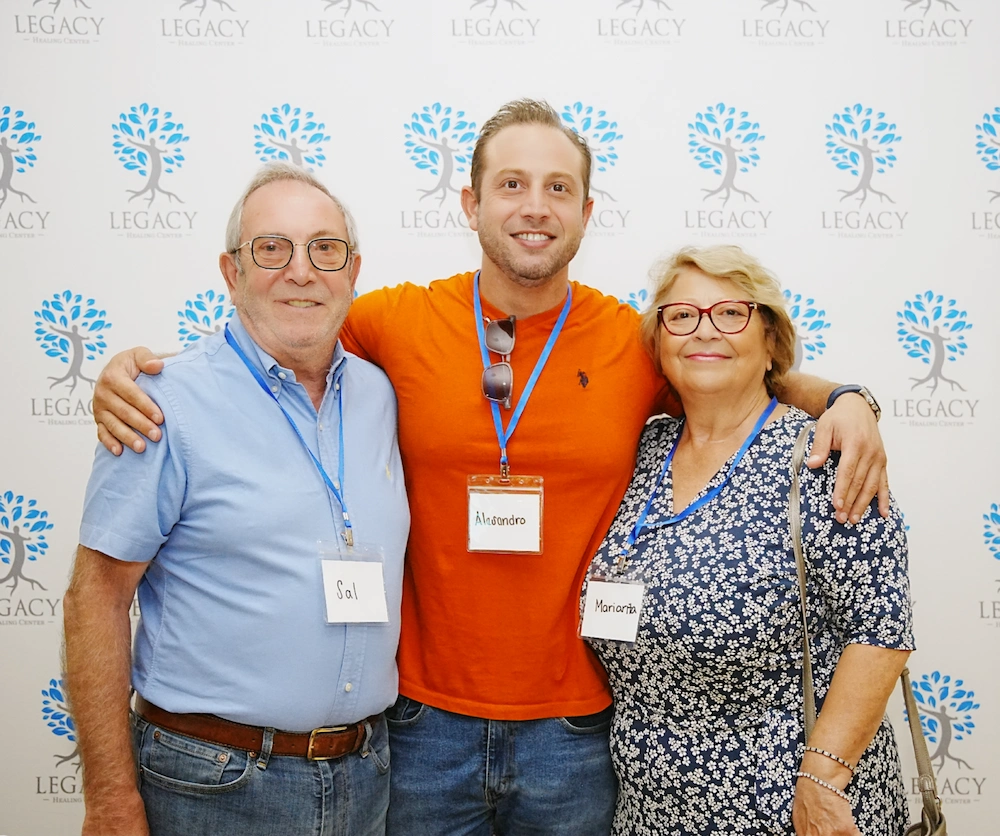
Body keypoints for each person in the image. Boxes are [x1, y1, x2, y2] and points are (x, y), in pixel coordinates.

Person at [91, 99, 889, 836]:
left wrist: (845, 397)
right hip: (417, 728)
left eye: (557, 187)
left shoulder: (633, 342)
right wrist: (139, 370)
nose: (533, 206)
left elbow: (733, 366)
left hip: (575, 733)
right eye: (511, 184)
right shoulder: (393, 321)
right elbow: (282, 330)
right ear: (471, 205)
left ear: (585, 212)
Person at [63, 163, 410, 836]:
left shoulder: (381, 394)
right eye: (272, 248)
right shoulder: (161, 405)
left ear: (353, 269)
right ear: (231, 271)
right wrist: (109, 798)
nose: (302, 271)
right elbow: (95, 599)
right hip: (213, 783)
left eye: (325, 248)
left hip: (365, 776)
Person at [581, 245, 912, 835]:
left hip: (795, 809)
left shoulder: (822, 455)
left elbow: (880, 628)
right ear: (658, 344)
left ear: (771, 344)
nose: (704, 330)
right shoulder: (641, 448)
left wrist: (824, 776)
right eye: (680, 316)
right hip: (651, 811)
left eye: (731, 313)